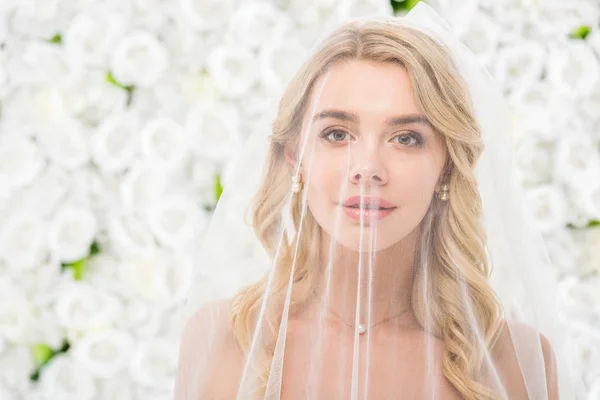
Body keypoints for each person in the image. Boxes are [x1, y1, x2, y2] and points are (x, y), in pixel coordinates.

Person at [172, 3, 574, 399]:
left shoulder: (515, 360)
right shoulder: (223, 340)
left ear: (447, 169)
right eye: (337, 133)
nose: (367, 168)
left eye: (405, 138)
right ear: (295, 157)